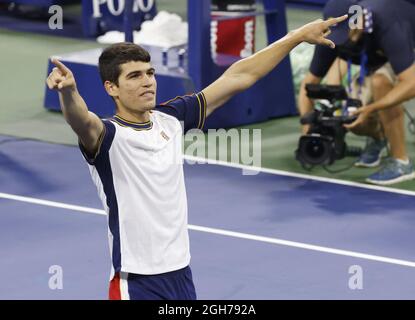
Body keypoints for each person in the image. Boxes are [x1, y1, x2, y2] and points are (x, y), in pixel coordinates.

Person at [46, 15, 346, 300]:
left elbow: (239, 76)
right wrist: (69, 92)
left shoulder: (171, 118)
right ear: (111, 87)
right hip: (136, 280)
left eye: (150, 73)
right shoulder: (107, 136)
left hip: (180, 274)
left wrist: (295, 37)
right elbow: (81, 120)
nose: (148, 81)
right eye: (134, 76)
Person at [299, 0, 415, 185]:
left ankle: (401, 162)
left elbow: (411, 84)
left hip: (408, 50)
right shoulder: (332, 32)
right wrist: (307, 129)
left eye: (344, 34)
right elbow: (309, 83)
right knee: (351, 114)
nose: (339, 41)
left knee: (380, 83)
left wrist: (372, 108)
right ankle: (378, 139)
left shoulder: (388, 21)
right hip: (378, 59)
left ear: (359, 24)